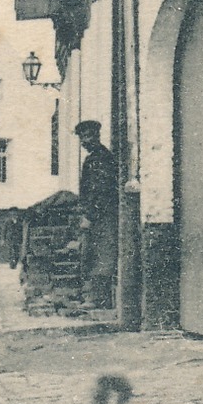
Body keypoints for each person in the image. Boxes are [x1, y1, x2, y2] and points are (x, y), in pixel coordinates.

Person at [75, 120, 118, 308]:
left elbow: (101, 191)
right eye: (82, 138)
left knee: (101, 256)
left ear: (96, 136)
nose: (84, 141)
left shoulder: (101, 159)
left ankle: (100, 299)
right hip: (96, 215)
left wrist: (90, 216)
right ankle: (94, 297)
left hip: (102, 216)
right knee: (93, 255)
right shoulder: (94, 157)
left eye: (87, 136)